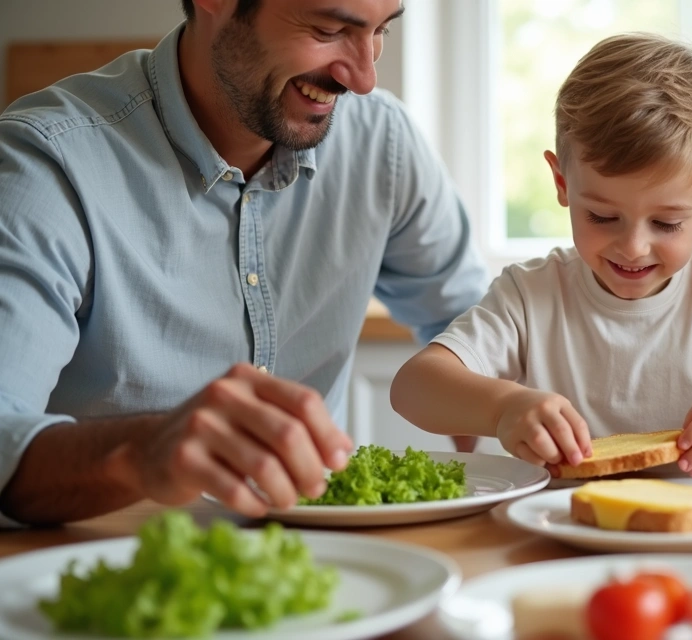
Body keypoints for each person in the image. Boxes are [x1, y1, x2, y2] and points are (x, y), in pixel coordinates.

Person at [0, 0, 488, 526]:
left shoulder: (382, 143)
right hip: (111, 571)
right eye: (329, 29)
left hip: (330, 569)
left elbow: (473, 333)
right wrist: (143, 452)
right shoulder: (46, 166)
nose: (365, 77)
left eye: (381, 31)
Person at [390, 33, 692, 476]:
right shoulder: (530, 293)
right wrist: (503, 407)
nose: (633, 247)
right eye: (602, 216)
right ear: (562, 183)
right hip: (561, 526)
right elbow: (412, 387)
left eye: (667, 223)